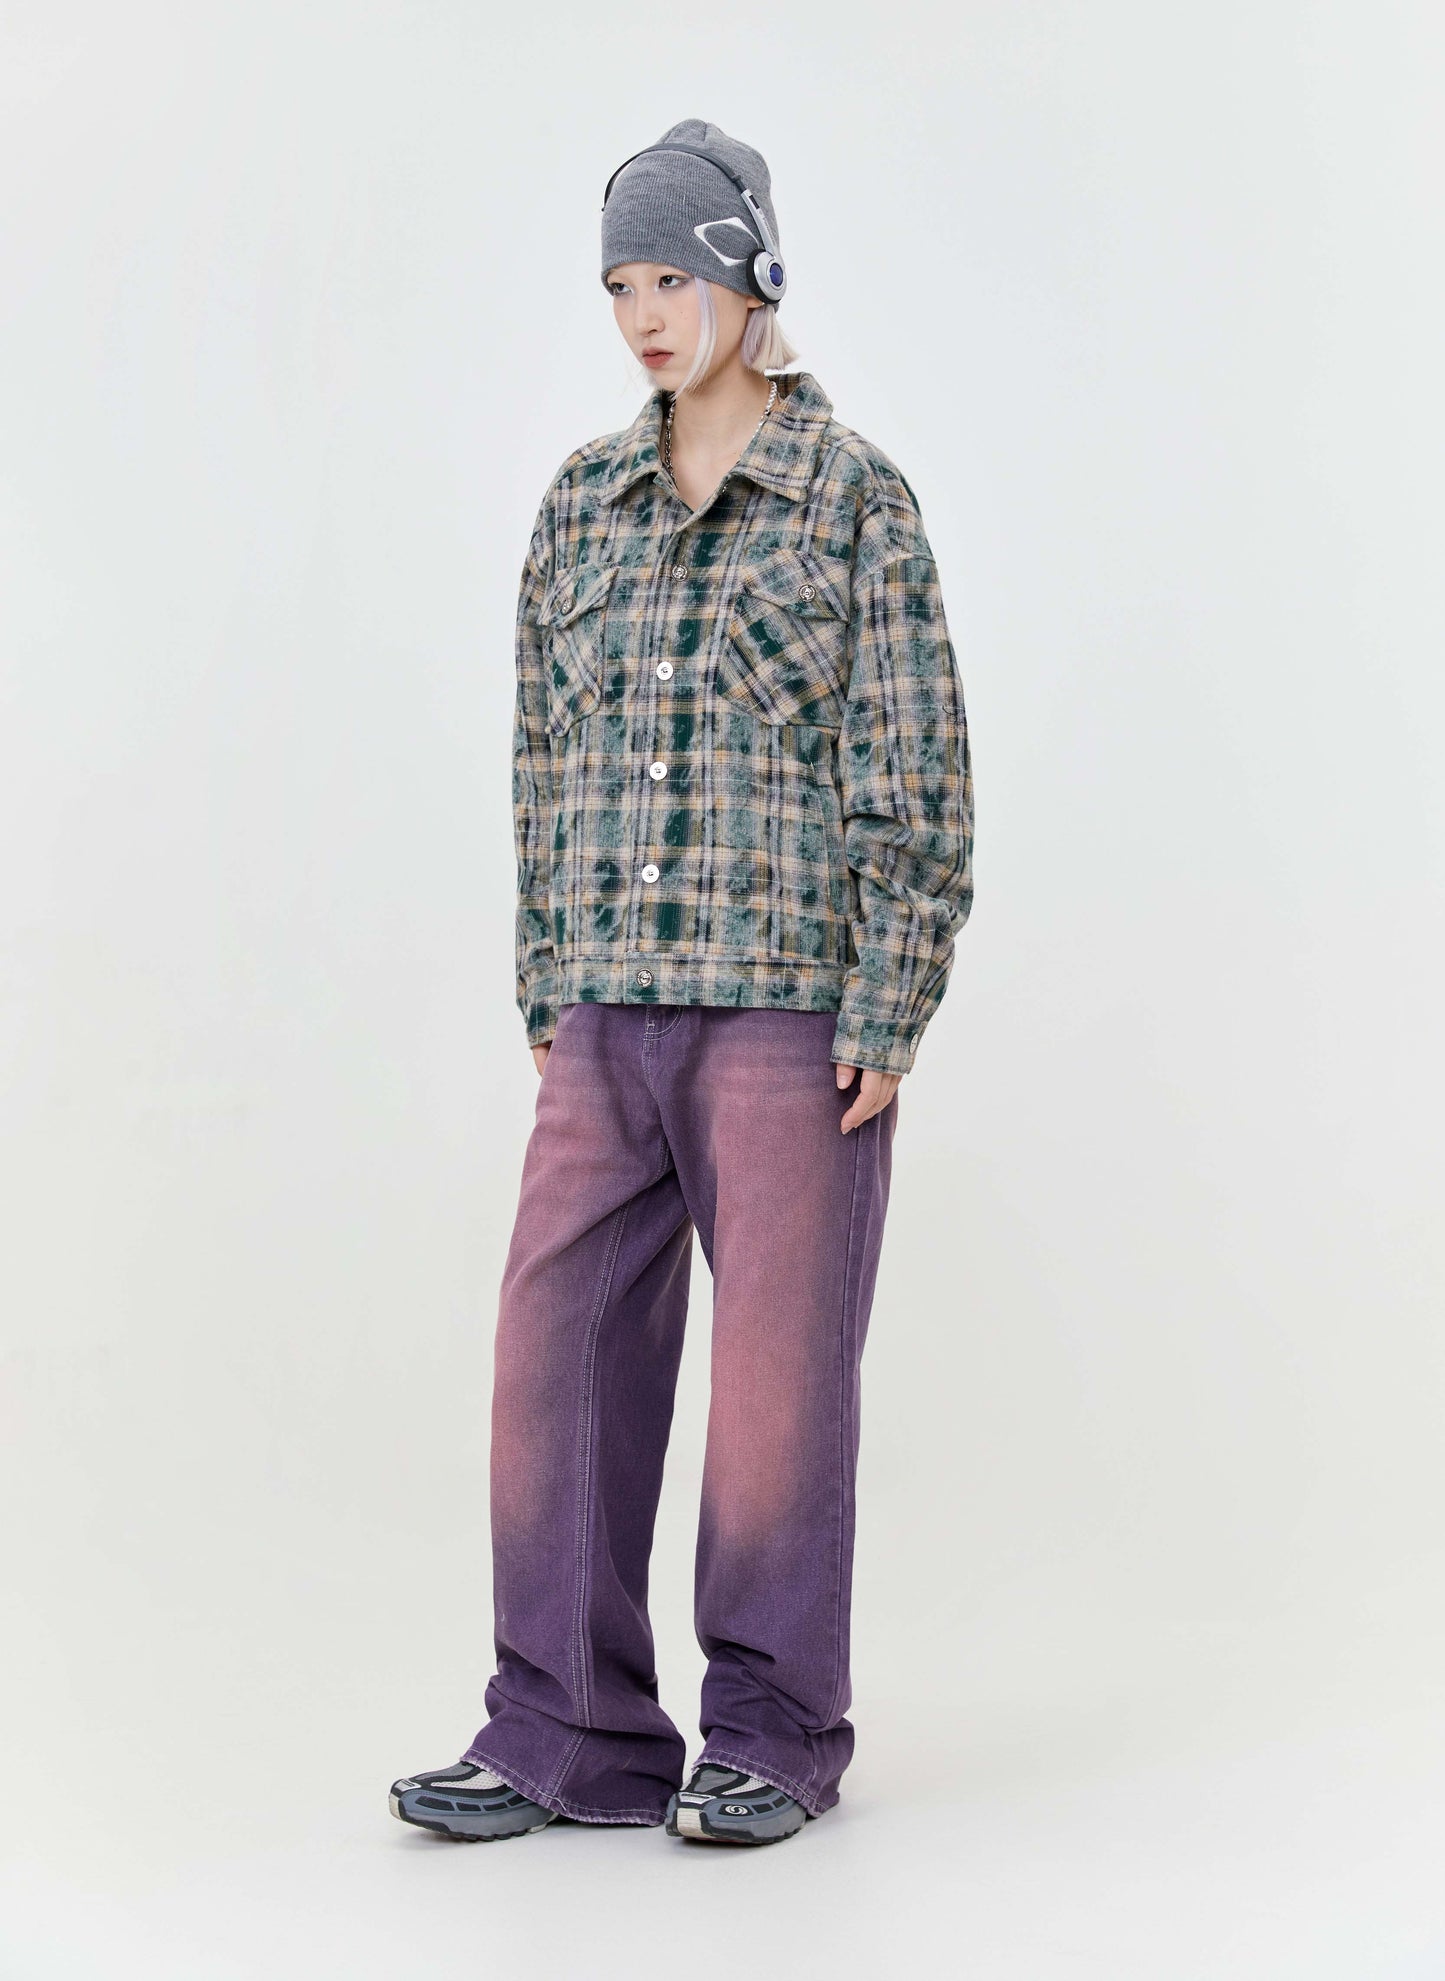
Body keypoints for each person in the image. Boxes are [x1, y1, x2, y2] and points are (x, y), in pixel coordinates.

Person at [389, 117, 973, 1849]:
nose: (642, 314)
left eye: (669, 277)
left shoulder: (852, 498)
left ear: (747, 274)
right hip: (601, 1014)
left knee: (777, 1392)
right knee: (550, 1362)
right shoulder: (581, 502)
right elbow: (538, 762)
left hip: (791, 1017)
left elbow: (913, 765)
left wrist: (891, 996)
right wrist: (544, 988)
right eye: (619, 284)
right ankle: (566, 1729)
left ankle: (772, 1733)